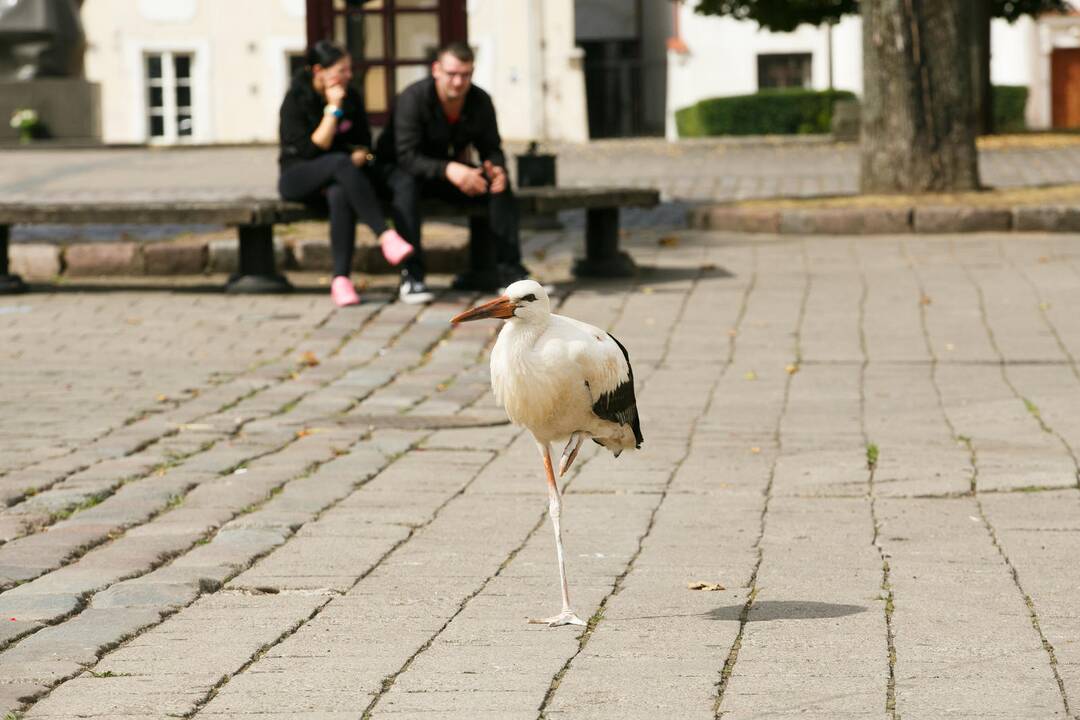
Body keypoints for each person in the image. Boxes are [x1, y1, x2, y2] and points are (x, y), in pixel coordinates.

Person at [375, 41, 533, 298]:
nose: (458, 82)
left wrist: (498, 169)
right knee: (407, 186)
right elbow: (406, 157)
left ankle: (511, 274)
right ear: (436, 69)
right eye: (452, 74)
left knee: (496, 186)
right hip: (398, 174)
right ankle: (412, 276)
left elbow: (491, 147)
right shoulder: (412, 98)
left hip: (444, 174)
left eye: (465, 75)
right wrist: (450, 169)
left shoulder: (480, 100)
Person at [278, 41, 417, 307]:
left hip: (342, 182)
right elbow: (310, 150)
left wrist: (361, 154)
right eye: (342, 70)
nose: (348, 76)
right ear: (319, 70)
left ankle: (340, 280)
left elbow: (365, 142)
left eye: (349, 69)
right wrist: (332, 109)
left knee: (340, 191)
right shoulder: (295, 99)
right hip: (298, 177)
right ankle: (385, 235)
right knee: (339, 163)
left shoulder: (352, 96)